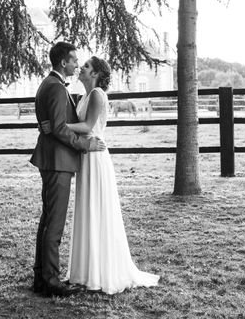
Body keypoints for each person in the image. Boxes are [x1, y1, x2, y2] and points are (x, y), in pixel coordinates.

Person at [47, 56, 160, 294]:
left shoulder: (97, 94)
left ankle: (101, 272)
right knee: (87, 209)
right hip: (84, 155)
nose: (81, 68)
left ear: (96, 73)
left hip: (96, 156)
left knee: (97, 209)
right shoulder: (85, 96)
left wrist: (58, 126)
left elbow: (88, 127)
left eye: (86, 66)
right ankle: (86, 271)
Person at [30, 42, 106, 298]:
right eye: (74, 60)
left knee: (47, 219)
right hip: (57, 161)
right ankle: (50, 281)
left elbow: (54, 124)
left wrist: (52, 126)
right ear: (63, 62)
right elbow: (60, 128)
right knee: (54, 223)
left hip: (54, 160)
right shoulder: (55, 87)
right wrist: (85, 145)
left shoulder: (51, 85)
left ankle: (40, 276)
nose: (76, 64)